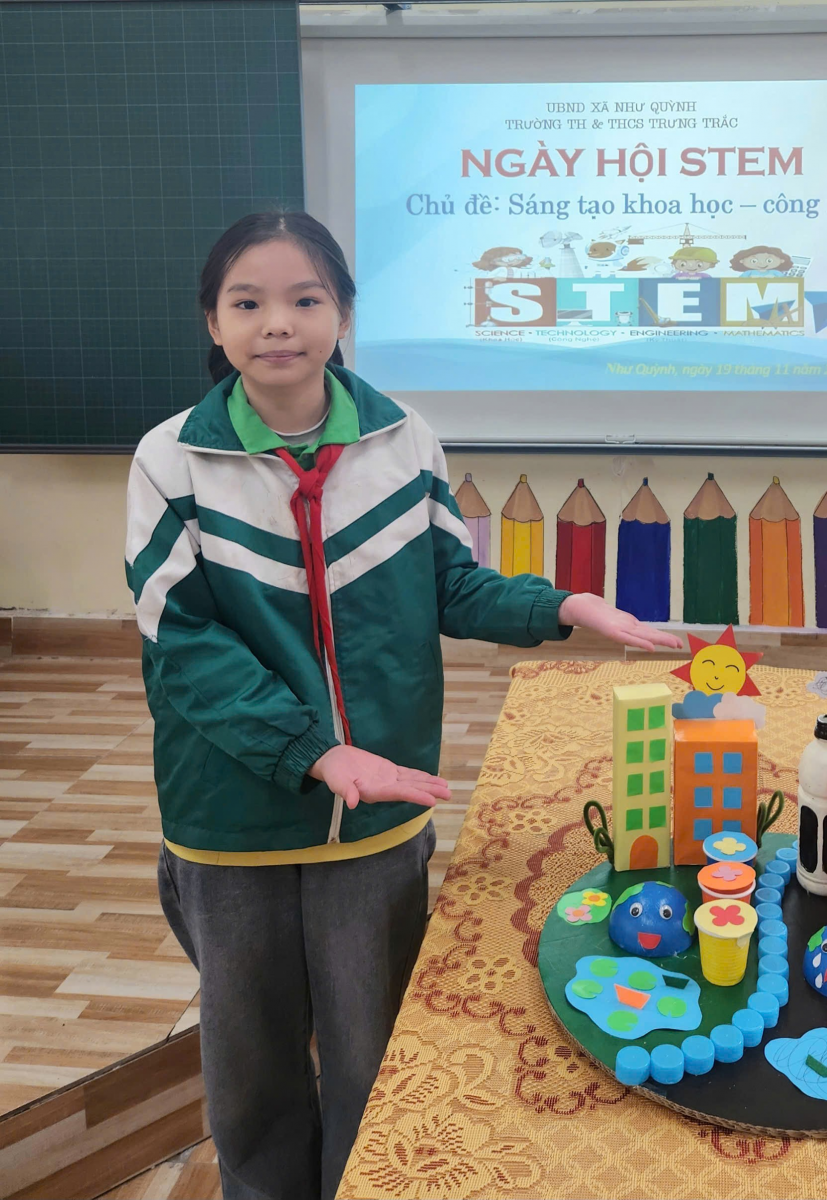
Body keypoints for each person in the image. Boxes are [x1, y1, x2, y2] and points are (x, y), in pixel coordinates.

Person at [124, 211, 681, 1200]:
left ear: (342, 313)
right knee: (249, 1064)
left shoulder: (402, 437)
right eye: (247, 302)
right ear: (213, 322)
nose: (277, 323)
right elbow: (187, 648)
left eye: (305, 299)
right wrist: (313, 751)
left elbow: (447, 583)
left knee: (372, 1050)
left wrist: (562, 606)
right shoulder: (170, 459)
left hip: (379, 812)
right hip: (231, 817)